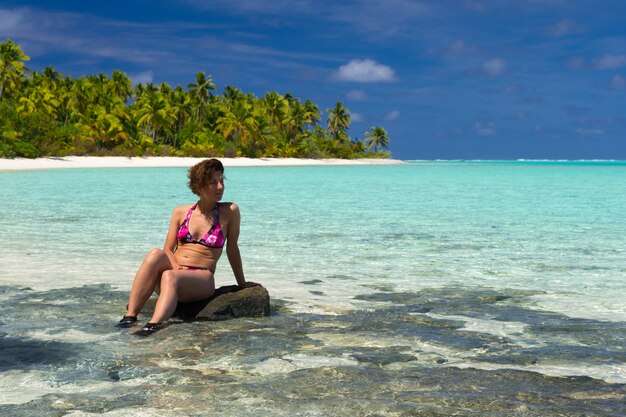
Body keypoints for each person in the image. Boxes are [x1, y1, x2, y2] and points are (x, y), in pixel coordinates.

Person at [117, 158, 255, 336]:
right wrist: (177, 267)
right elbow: (168, 249)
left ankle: (153, 325)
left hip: (201, 279)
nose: (220, 186)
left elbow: (232, 248)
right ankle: (130, 317)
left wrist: (241, 283)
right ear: (200, 186)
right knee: (154, 254)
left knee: (170, 276)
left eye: (222, 181)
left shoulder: (230, 211)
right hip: (175, 273)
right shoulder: (181, 212)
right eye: (214, 182)